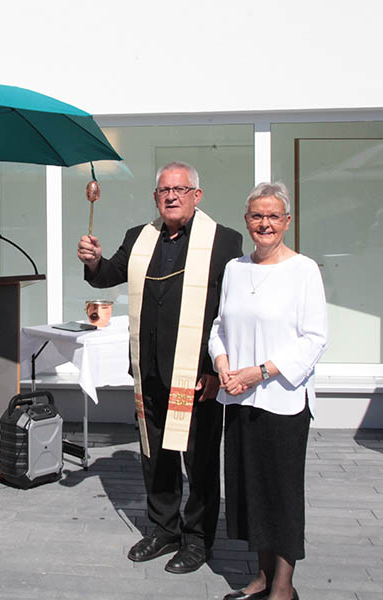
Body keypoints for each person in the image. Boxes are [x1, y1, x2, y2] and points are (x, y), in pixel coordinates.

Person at [77, 161, 243, 574]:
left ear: (196, 196)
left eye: (180, 189)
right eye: (163, 190)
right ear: (156, 197)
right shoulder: (140, 237)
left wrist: (212, 369)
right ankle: (163, 529)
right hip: (148, 370)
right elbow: (108, 276)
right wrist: (95, 261)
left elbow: (232, 312)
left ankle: (197, 539)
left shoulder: (222, 241)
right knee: (156, 457)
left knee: (199, 460)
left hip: (196, 374)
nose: (171, 196)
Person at [208, 182, 327, 600]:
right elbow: (219, 328)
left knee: (282, 493)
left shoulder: (304, 270)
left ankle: (283, 585)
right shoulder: (236, 269)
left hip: (283, 400)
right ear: (247, 221)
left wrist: (259, 372)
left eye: (273, 216)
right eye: (258, 216)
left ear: (287, 222)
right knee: (248, 491)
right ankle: (260, 575)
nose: (265, 223)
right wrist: (222, 364)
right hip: (240, 399)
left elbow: (314, 339)